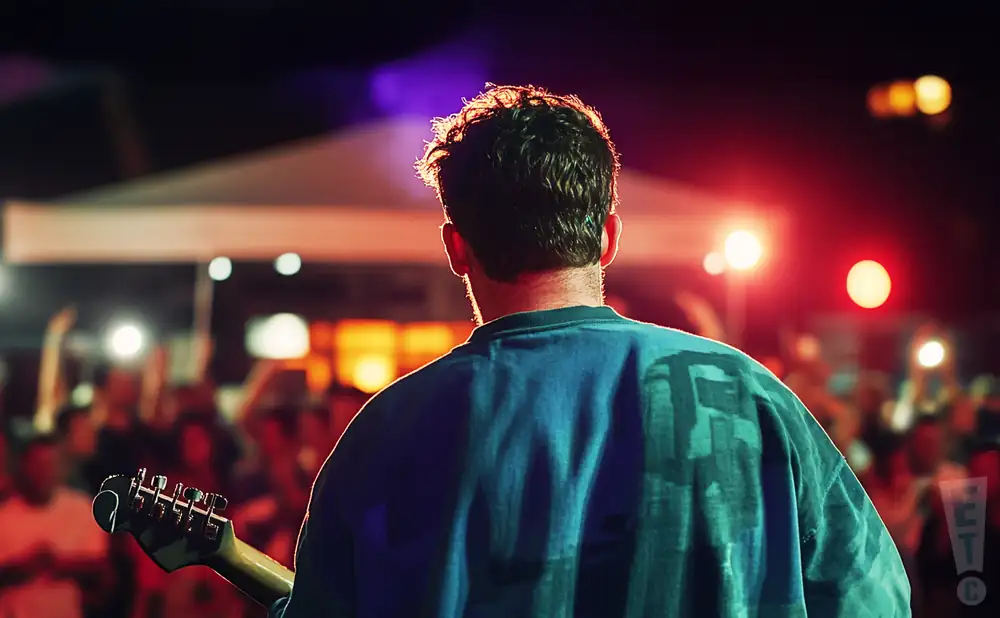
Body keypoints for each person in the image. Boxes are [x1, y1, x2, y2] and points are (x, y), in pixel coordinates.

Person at [269, 85, 910, 617]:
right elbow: (876, 597)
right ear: (608, 237)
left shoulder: (385, 434)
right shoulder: (748, 394)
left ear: (456, 248)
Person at [0, 435, 111, 618]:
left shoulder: (81, 509)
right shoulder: (4, 515)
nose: (44, 472)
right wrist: (22, 568)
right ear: (23, 466)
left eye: (51, 465)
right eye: (37, 465)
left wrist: (60, 564)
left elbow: (101, 570)